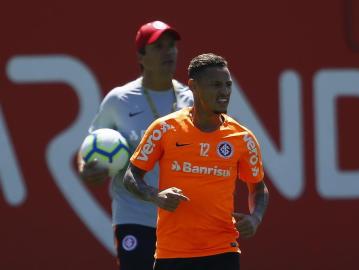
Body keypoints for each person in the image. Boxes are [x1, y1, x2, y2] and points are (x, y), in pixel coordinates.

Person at [123, 53, 269, 270]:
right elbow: (131, 175)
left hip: (222, 252)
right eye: (216, 85)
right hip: (172, 253)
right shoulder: (164, 129)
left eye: (228, 85)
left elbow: (258, 188)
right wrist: (155, 195)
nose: (224, 92)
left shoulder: (243, 138)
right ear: (193, 86)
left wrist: (255, 218)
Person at [77, 20, 193, 270]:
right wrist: (87, 168)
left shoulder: (191, 101)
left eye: (172, 46)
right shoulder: (119, 100)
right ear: (141, 56)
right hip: (134, 216)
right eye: (159, 46)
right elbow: (92, 143)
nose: (169, 52)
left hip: (182, 219)